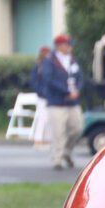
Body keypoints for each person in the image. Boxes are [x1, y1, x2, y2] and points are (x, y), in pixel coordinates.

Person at [35, 33, 83, 170]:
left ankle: (66, 151)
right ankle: (57, 159)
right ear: (60, 46)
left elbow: (80, 77)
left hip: (72, 102)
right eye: (67, 44)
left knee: (77, 128)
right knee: (58, 131)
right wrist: (66, 92)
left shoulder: (72, 60)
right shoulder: (50, 61)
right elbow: (49, 80)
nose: (70, 47)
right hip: (57, 102)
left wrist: (77, 89)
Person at [29, 46, 53, 150]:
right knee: (42, 117)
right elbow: (34, 81)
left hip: (50, 95)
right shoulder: (38, 66)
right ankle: (38, 139)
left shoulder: (51, 65)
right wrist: (40, 91)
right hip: (42, 96)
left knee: (49, 118)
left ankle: (47, 139)